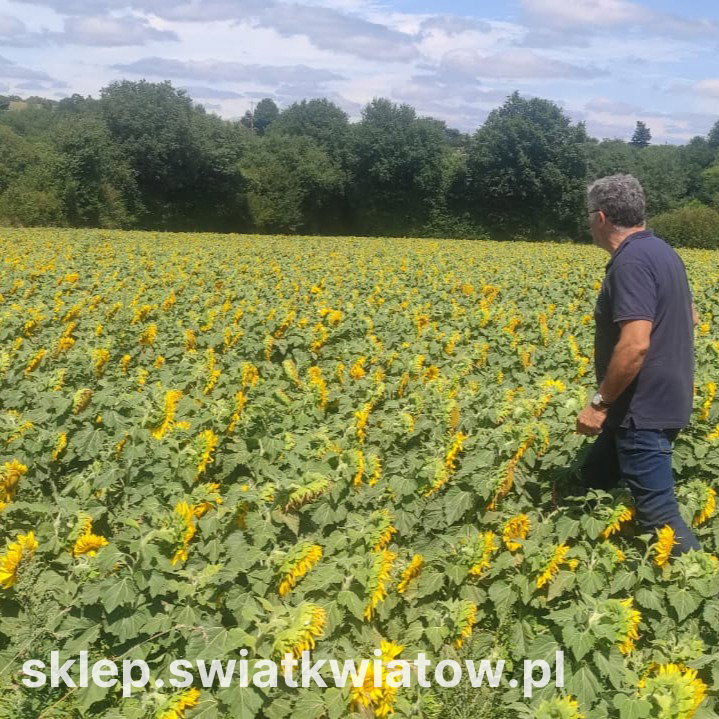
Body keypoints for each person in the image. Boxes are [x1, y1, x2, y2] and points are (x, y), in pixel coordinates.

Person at [574, 173, 701, 556]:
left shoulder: (629, 262)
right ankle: (575, 544)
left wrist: (599, 404)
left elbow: (635, 345)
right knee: (592, 478)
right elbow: (691, 316)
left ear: (600, 218)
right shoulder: (663, 251)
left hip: (641, 408)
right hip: (664, 398)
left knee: (659, 517)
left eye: (588, 217)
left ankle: (700, 579)